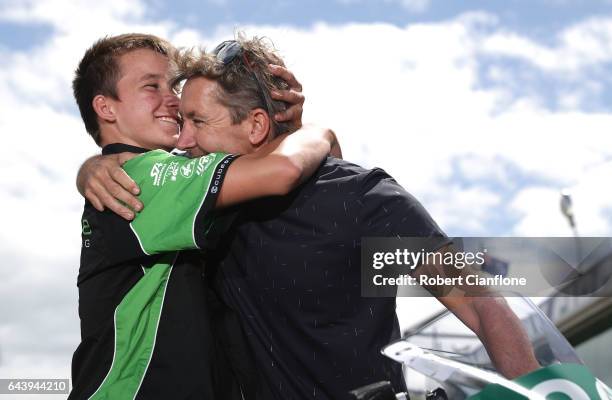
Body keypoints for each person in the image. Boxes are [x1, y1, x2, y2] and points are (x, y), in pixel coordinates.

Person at [80, 36, 540, 399]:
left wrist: (537, 389)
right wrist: (94, 165)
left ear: (257, 125)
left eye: (198, 121)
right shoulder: (202, 215)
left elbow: (479, 299)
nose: (183, 140)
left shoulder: (361, 195)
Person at [69, 33, 339, 400]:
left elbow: (323, 180)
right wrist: (315, 130)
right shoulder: (143, 176)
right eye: (152, 86)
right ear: (106, 108)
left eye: (173, 85)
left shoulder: (165, 173)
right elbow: (284, 170)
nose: (173, 99)